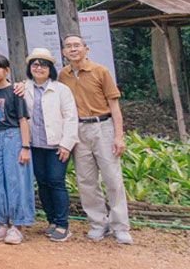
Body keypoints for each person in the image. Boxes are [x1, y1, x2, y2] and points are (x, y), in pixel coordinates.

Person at [59, 34, 132, 245]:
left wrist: (119, 136)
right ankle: (98, 224)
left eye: (77, 45)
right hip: (78, 129)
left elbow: (115, 106)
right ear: (64, 52)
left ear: (86, 49)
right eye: (68, 46)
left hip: (103, 126)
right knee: (86, 180)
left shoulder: (101, 71)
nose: (73, 49)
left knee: (112, 179)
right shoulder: (63, 76)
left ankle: (120, 226)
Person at [24, 48, 78, 242]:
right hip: (35, 145)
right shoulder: (23, 88)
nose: (39, 68)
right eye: (35, 64)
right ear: (30, 67)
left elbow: (71, 118)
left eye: (43, 64)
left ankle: (63, 224)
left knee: (56, 181)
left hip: (57, 145)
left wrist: (66, 144)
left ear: (50, 68)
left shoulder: (61, 89)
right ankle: (52, 221)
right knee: (43, 183)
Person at [0, 54, 34, 245]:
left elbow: (23, 120)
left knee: (16, 181)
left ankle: (18, 225)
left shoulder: (15, 91)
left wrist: (25, 146)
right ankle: (0, 221)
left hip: (13, 136)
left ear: (7, 70)